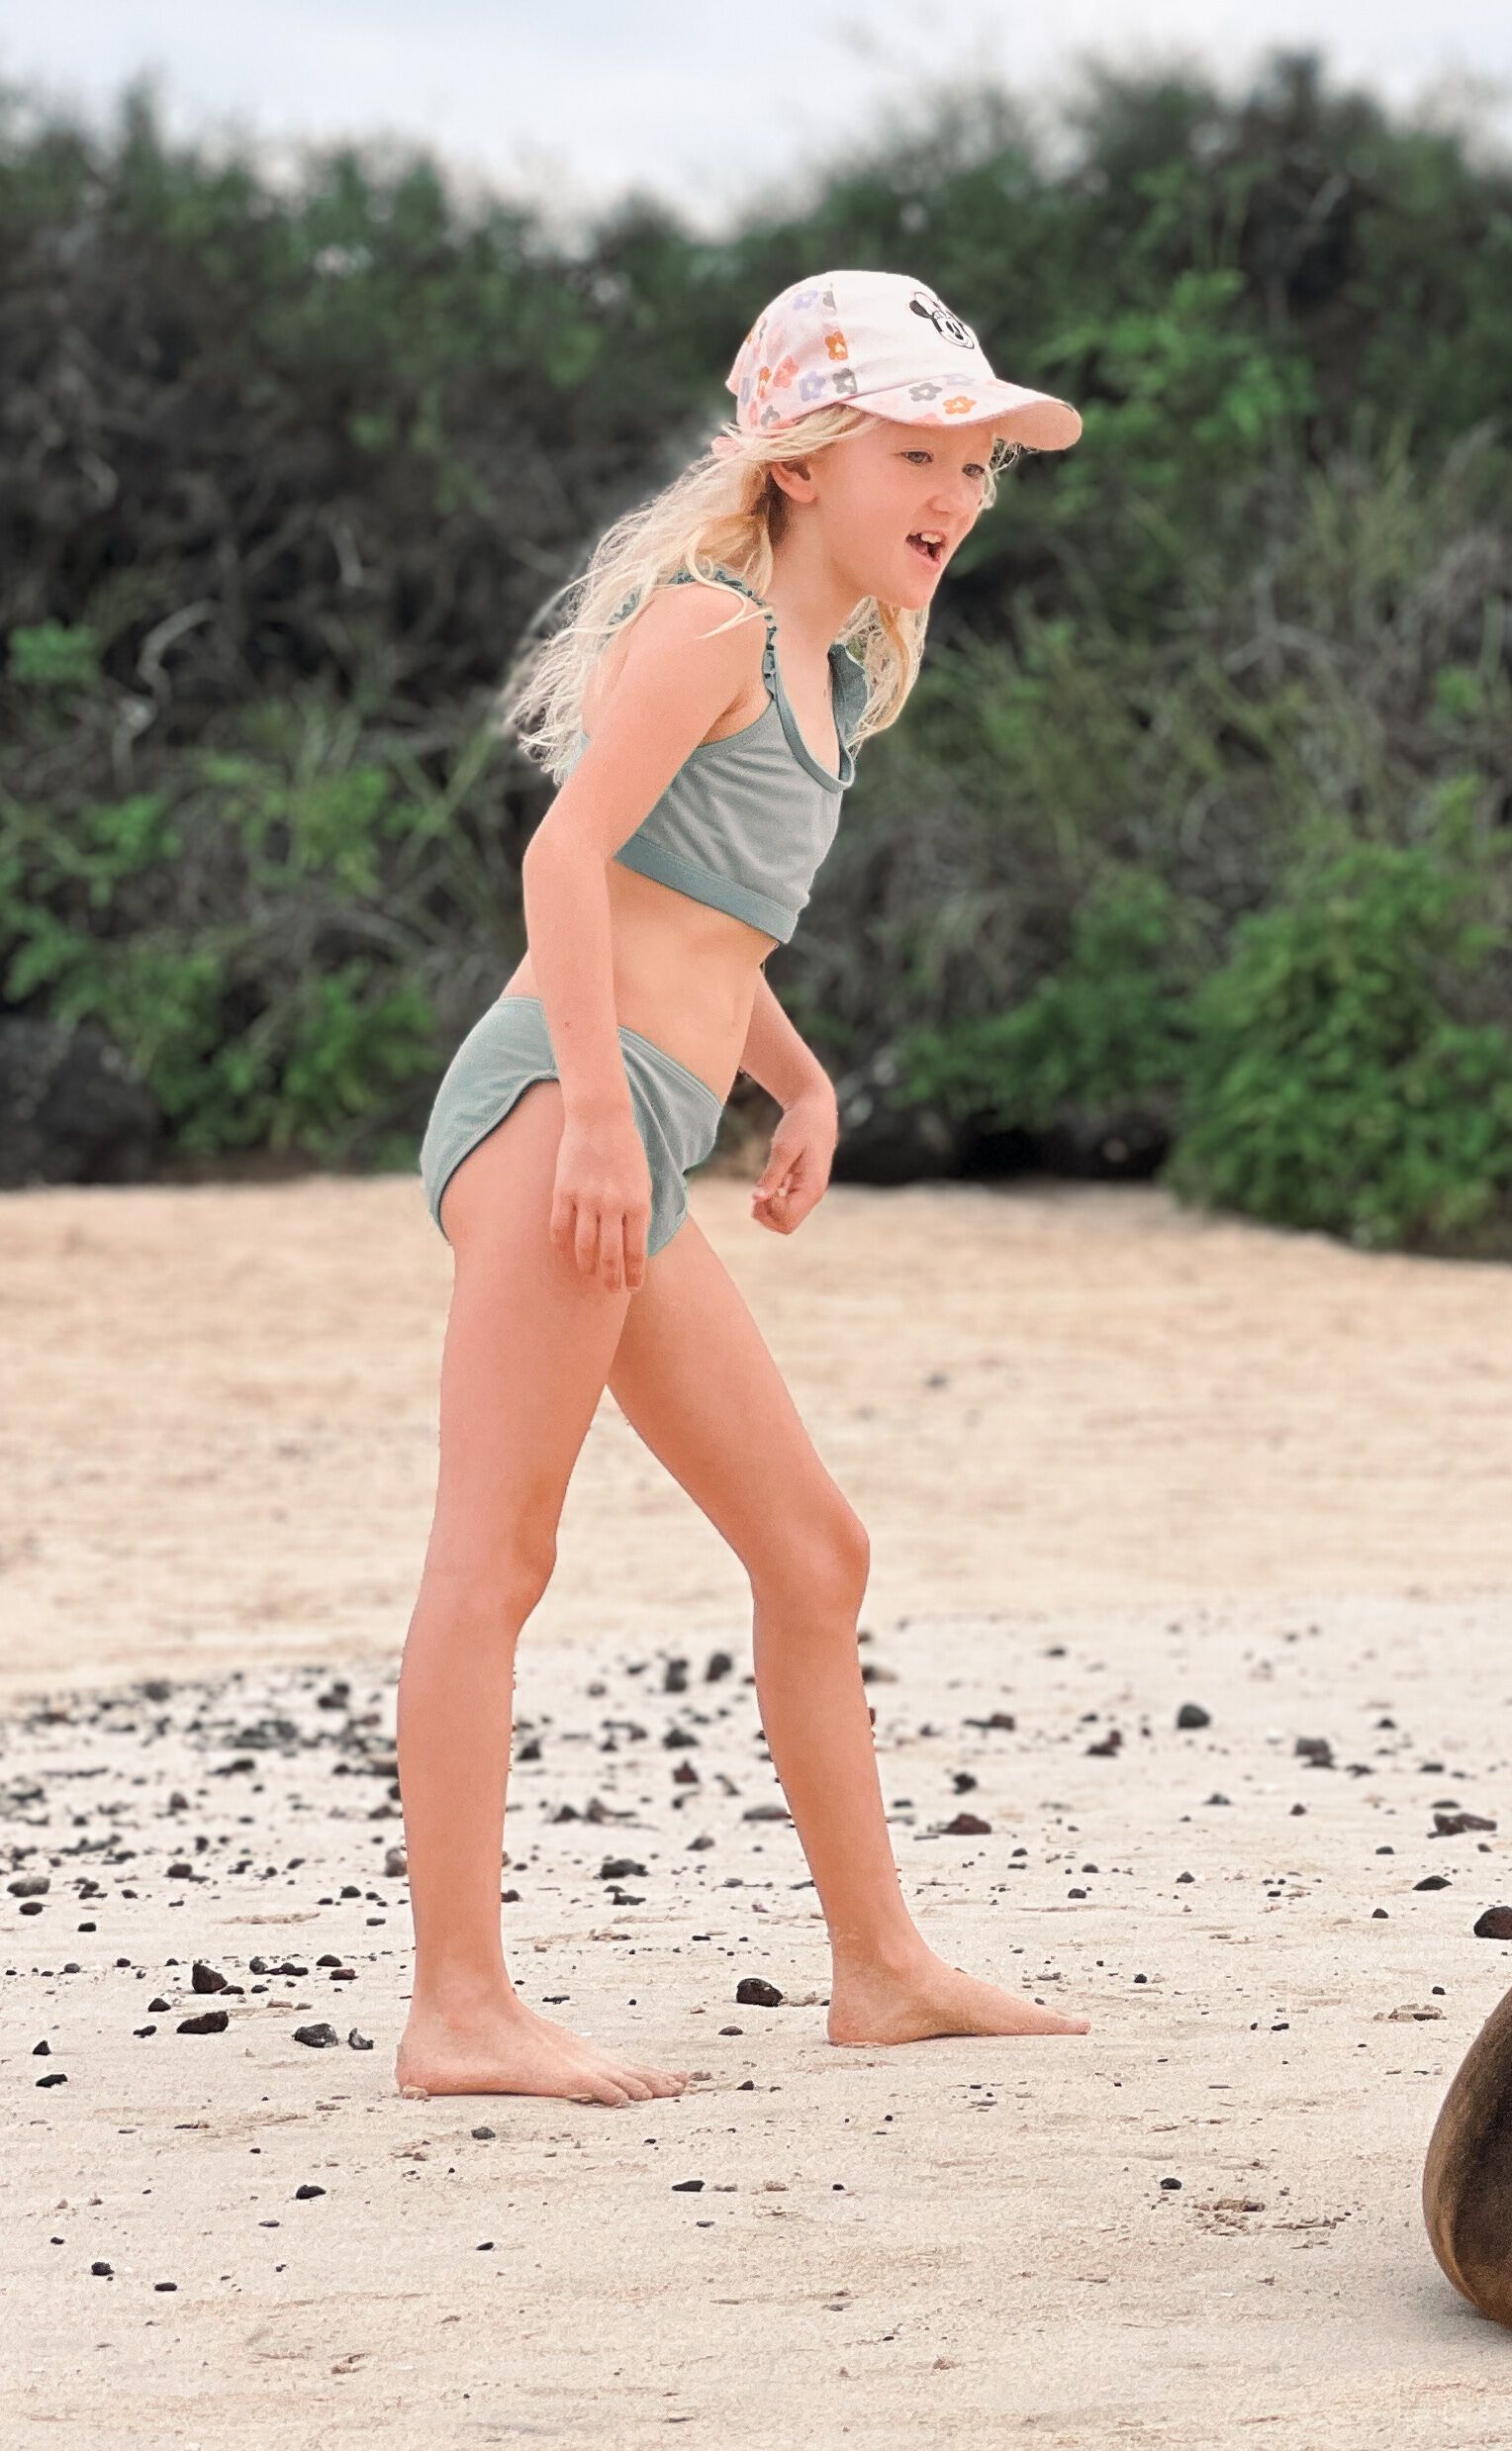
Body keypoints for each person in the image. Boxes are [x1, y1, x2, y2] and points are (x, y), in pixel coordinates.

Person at [393, 272, 1091, 2102]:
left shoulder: (826, 669)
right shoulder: (708, 629)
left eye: (976, 465)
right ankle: (458, 2005)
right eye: (918, 455)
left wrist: (795, 1077)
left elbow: (698, 918)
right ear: (800, 464)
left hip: (635, 1114)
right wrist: (601, 1117)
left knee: (813, 1549)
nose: (957, 494)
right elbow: (565, 863)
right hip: (561, 1106)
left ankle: (883, 1968)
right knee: (497, 1550)